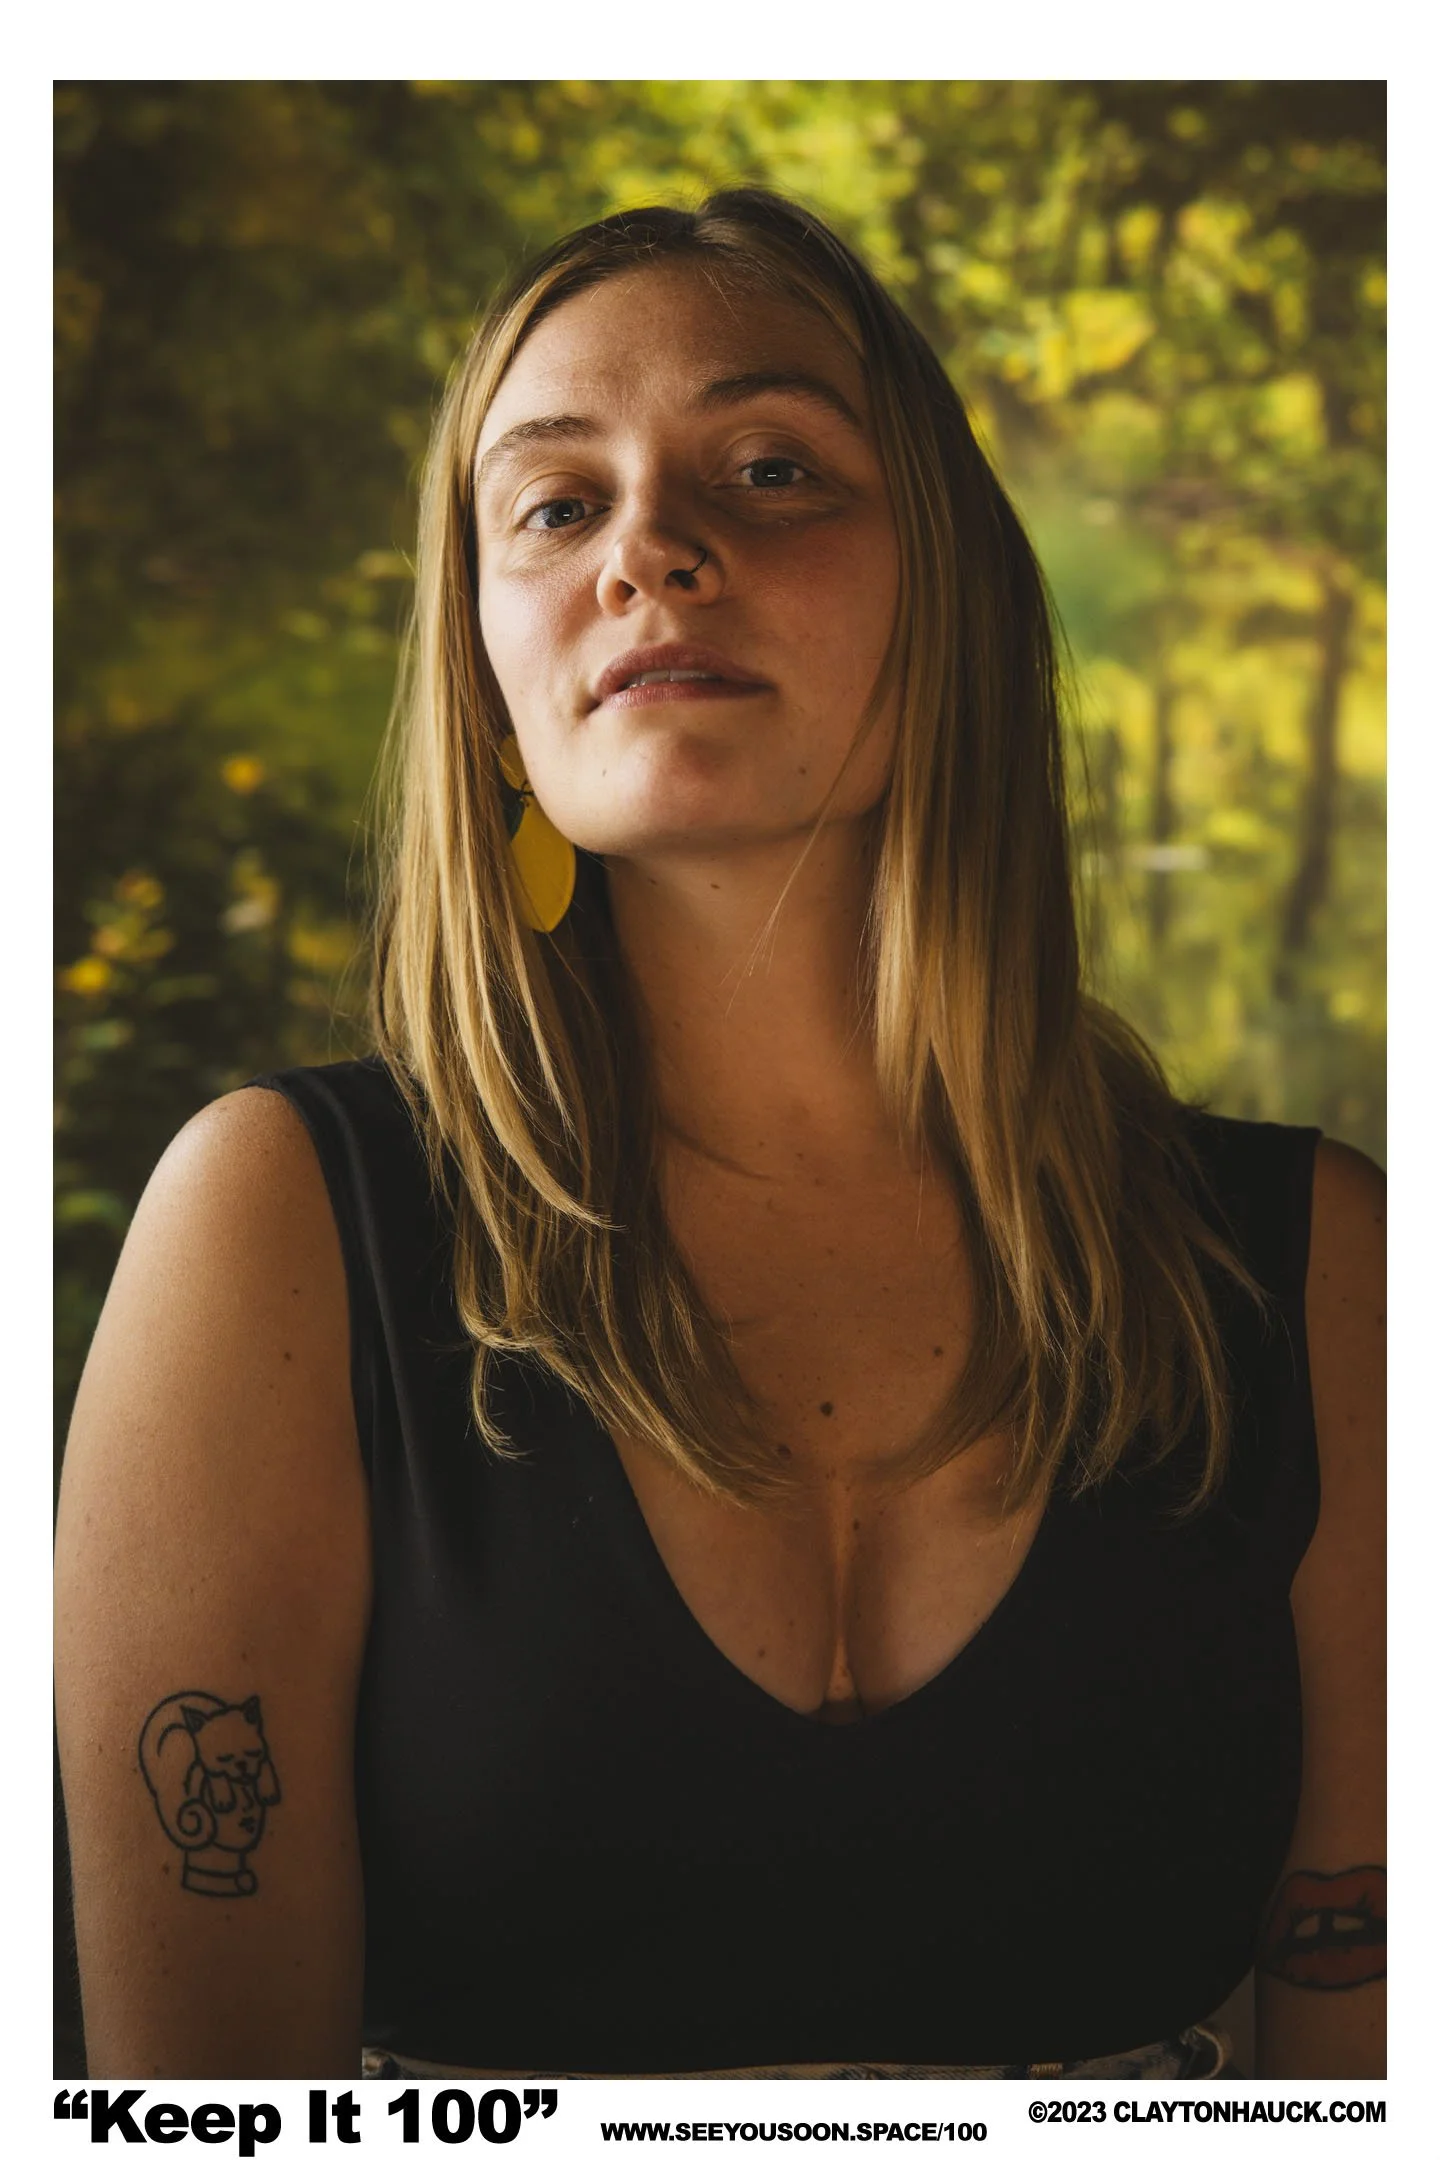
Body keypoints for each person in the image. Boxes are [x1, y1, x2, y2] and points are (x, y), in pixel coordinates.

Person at [54, 190, 1385, 2082]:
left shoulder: (1319, 1272)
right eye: (555, 503)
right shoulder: (279, 1227)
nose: (652, 550)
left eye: (770, 470)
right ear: (489, 683)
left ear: (952, 600)